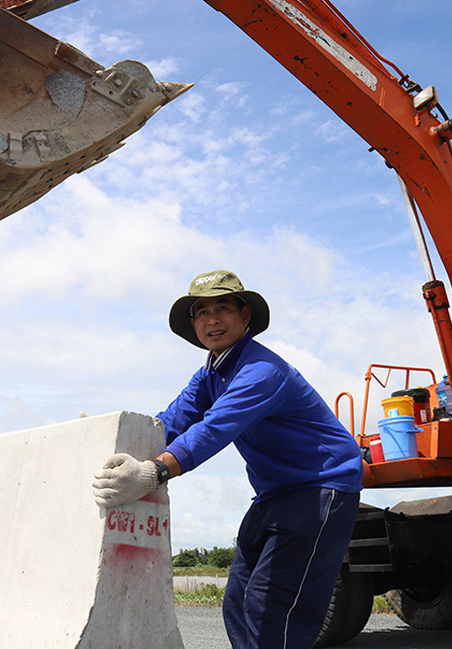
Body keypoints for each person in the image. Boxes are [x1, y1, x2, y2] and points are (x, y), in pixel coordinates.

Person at [92, 270, 363, 649]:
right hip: (273, 493)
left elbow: (215, 429)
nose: (212, 319)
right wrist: (112, 440)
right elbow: (171, 421)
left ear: (245, 315)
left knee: (272, 608)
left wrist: (155, 472)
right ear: (194, 325)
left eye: (223, 308)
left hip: (320, 487)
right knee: (238, 601)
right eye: (201, 311)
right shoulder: (211, 373)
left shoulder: (262, 371)